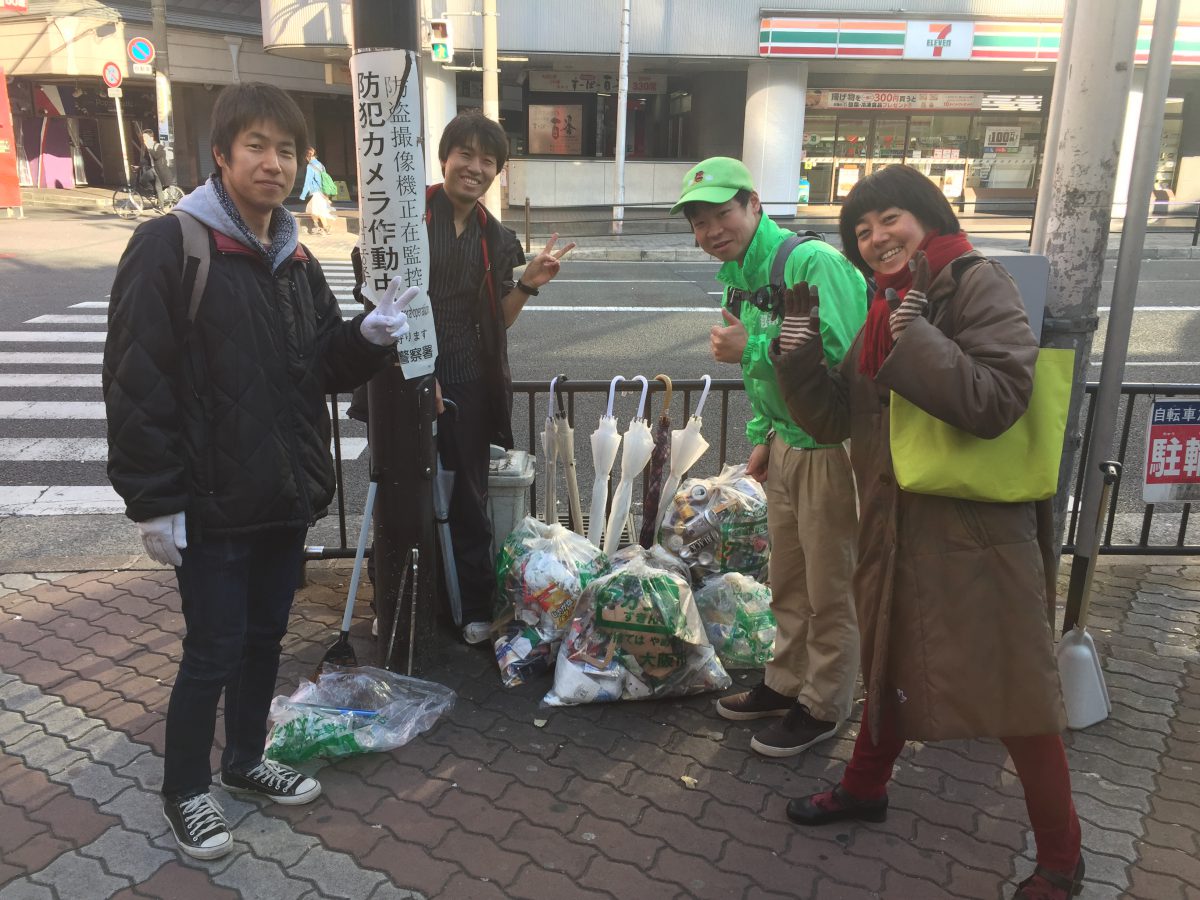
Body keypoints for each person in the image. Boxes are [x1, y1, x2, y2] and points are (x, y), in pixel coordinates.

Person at [104, 83, 413, 862]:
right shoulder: (172, 245)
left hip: (280, 494)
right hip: (208, 502)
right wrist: (154, 500)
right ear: (221, 154)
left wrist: (369, 337)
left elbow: (318, 367)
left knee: (266, 640)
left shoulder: (293, 257)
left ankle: (244, 763)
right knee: (212, 647)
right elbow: (137, 382)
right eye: (257, 147)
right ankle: (184, 791)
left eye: (288, 151)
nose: (274, 164)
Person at [770, 164, 1083, 900]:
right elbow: (836, 419)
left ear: (927, 215)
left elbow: (1000, 399)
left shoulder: (975, 282)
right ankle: (864, 787)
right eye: (862, 229)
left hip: (974, 530)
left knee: (1018, 699)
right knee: (888, 664)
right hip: (896, 524)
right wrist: (799, 352)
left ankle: (1063, 861)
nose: (876, 237)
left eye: (889, 219)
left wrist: (918, 340)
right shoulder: (887, 305)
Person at [350, 110, 575, 645]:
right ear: (444, 158)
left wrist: (529, 283)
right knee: (401, 490)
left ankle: (470, 603)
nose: (474, 168)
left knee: (468, 493)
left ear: (497, 172)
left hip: (468, 377)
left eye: (487, 161)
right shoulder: (404, 218)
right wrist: (417, 379)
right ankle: (397, 599)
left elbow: (497, 318)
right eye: (465, 155)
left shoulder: (494, 238)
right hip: (403, 374)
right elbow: (373, 296)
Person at [671, 157, 867, 757]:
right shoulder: (741, 276)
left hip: (831, 449)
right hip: (787, 444)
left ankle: (825, 704)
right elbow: (769, 381)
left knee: (831, 587)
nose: (711, 232)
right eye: (699, 223)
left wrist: (750, 343)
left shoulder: (813, 263)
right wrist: (762, 434)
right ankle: (785, 683)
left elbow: (843, 354)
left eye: (722, 214)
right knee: (787, 579)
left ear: (755, 204)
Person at [300, 147, 338, 235]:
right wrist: (326, 195)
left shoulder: (310, 166)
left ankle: (324, 227)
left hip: (316, 191)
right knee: (313, 209)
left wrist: (303, 194)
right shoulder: (321, 165)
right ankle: (317, 226)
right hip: (322, 191)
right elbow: (325, 179)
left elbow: (307, 181)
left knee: (317, 210)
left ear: (307, 157)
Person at [140, 128, 175, 204]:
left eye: (145, 138)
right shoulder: (148, 148)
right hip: (154, 169)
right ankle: (154, 193)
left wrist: (149, 148)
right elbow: (146, 160)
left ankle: (160, 206)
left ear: (151, 138)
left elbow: (156, 156)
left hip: (160, 171)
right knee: (144, 180)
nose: (144, 140)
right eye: (143, 138)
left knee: (156, 186)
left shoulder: (159, 146)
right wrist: (139, 166)